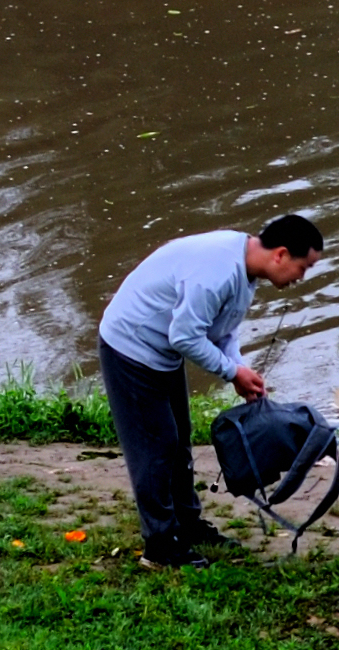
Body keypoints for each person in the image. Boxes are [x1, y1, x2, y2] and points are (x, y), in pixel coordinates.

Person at [97, 214, 324, 569]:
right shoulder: (216, 272)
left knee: (178, 442)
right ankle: (159, 546)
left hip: (162, 352)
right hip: (131, 347)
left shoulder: (245, 269)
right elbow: (185, 336)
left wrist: (240, 369)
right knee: (155, 447)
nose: (300, 278)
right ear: (280, 254)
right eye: (302, 267)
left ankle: (186, 526)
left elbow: (222, 331)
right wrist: (231, 372)